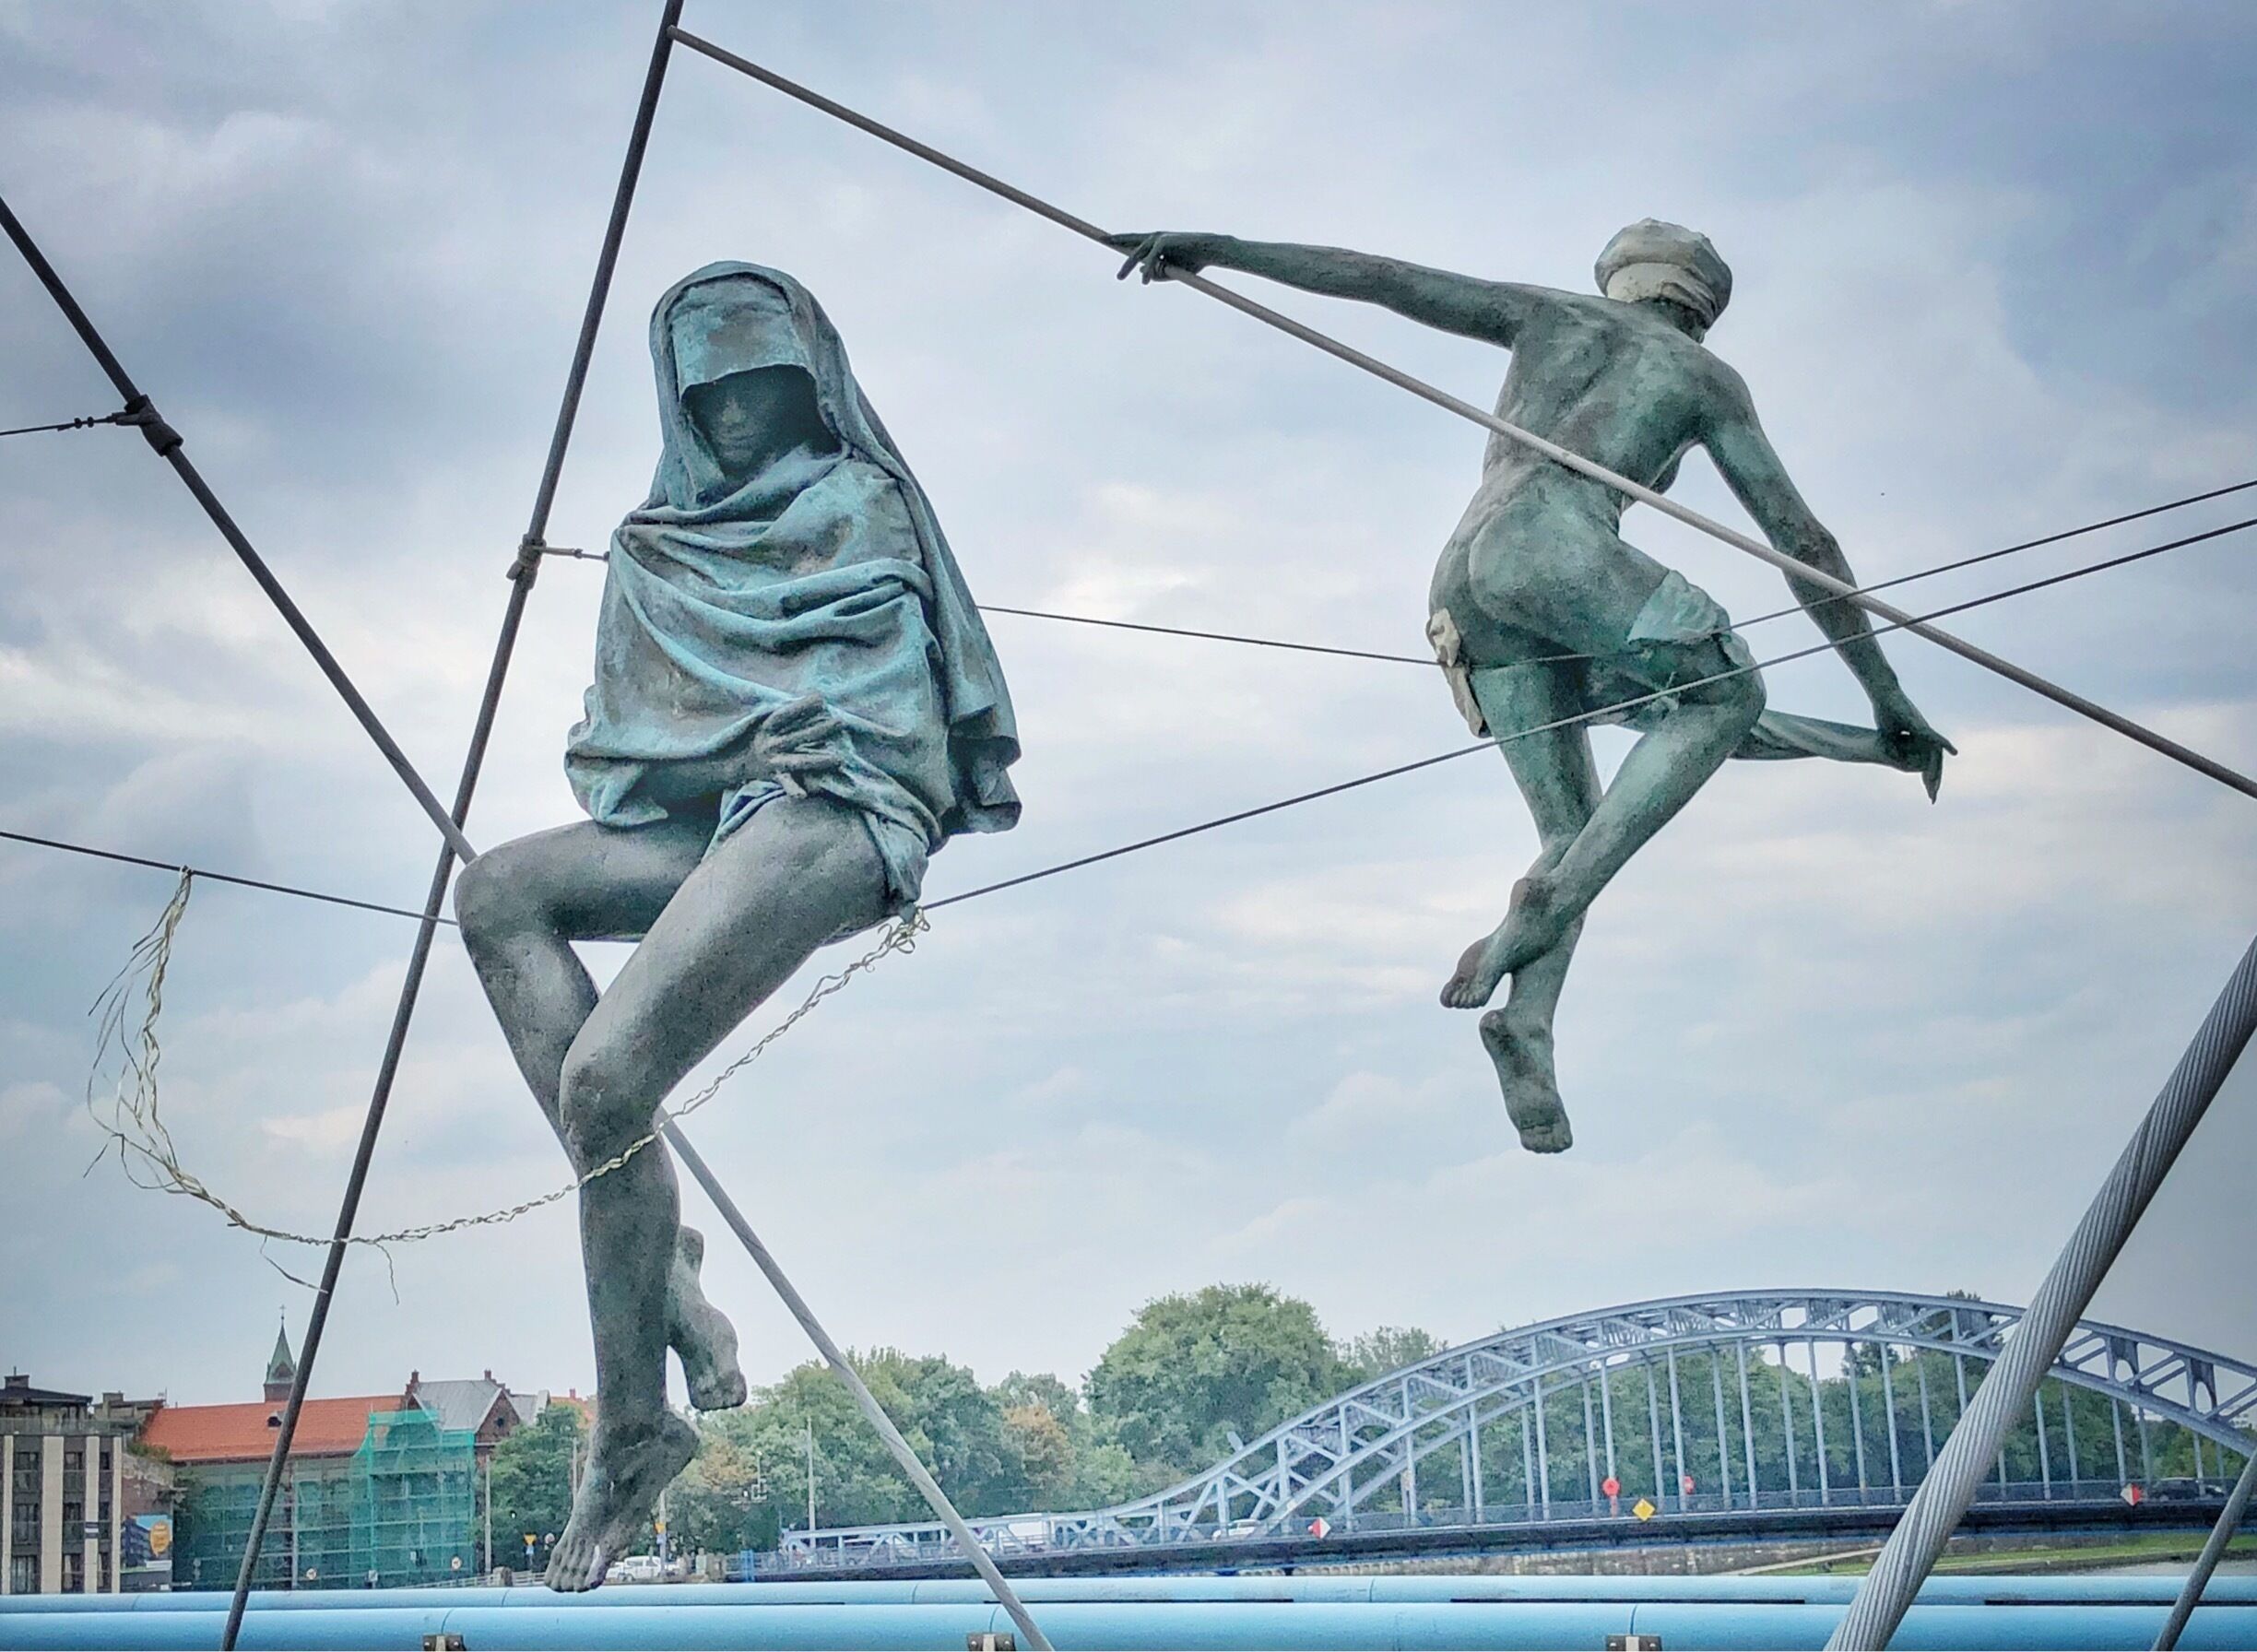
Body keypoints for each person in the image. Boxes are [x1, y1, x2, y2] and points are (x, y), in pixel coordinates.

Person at [1109, 220, 1950, 1153]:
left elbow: (1382, 277)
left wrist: (1220, 248)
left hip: (1461, 580)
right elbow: (1807, 548)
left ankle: (1528, 1026)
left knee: (1582, 821)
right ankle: (1542, 908)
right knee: (1723, 694)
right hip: (1558, 548)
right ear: (1699, 310)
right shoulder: (1706, 379)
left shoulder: (1546, 317)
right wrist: (1886, 687)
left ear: (1620, 284)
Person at [454, 262, 1020, 1589]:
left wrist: (789, 736)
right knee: (497, 893)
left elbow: (881, 704)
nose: (743, 418)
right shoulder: (659, 544)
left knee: (605, 1081)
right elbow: (644, 741)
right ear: (681, 405)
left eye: (765, 386)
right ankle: (675, 1283)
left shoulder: (858, 499)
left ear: (810, 382)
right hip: (732, 810)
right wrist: (733, 742)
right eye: (714, 398)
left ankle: (632, 1431)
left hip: (841, 807)